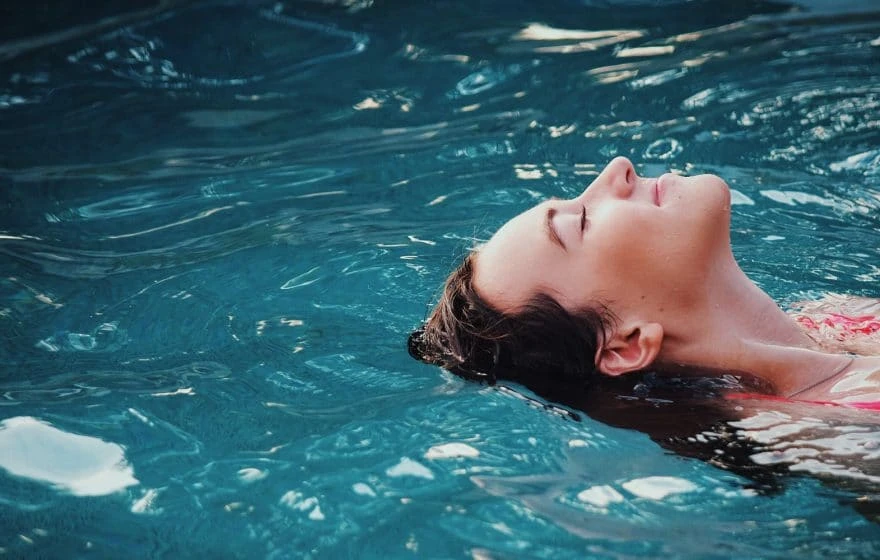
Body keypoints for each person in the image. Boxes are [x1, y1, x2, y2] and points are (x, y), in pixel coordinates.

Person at [408, 156, 880, 408]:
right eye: (583, 222)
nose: (618, 168)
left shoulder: (837, 317)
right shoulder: (833, 431)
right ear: (625, 347)